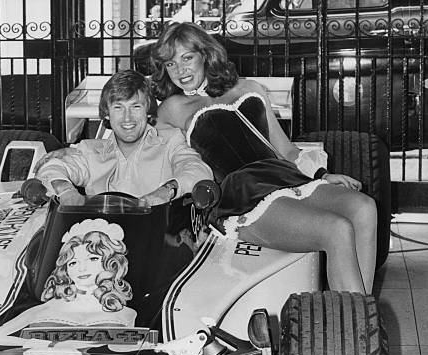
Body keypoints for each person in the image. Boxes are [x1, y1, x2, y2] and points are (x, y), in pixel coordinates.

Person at [150, 22, 378, 294]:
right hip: (242, 195)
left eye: (187, 58)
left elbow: (287, 150)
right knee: (336, 229)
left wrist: (323, 175)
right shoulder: (172, 109)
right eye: (171, 64)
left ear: (206, 55)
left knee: (364, 208)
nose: (180, 70)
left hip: (286, 178)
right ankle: (355, 329)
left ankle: (359, 317)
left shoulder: (250, 88)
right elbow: (161, 160)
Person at [33, 69, 212, 208]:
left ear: (148, 111)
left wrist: (167, 190)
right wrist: (66, 191)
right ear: (107, 114)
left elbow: (197, 170)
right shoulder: (90, 151)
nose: (127, 118)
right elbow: (52, 167)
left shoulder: (171, 142)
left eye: (136, 107)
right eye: (118, 108)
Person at [0, 219, 137, 340]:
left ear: (111, 263)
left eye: (93, 259)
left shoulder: (128, 313)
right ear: (65, 267)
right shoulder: (46, 308)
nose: (81, 269)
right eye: (73, 262)